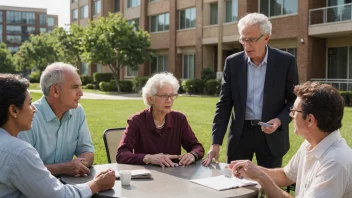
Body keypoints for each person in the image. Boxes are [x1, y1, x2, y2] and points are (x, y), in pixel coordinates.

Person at [202, 13, 299, 168]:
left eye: (252, 40)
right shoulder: (233, 63)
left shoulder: (286, 61)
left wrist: (279, 120)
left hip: (271, 136)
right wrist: (215, 143)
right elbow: (224, 104)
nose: (246, 45)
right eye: (243, 39)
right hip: (240, 135)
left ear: (266, 38)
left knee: (269, 187)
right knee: (235, 185)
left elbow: (294, 100)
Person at [229, 81, 352, 198]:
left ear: (310, 120)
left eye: (294, 111)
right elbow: (286, 176)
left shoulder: (335, 163)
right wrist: (252, 170)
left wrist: (261, 176)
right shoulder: (311, 143)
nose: (290, 115)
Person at [0, 74, 115, 197]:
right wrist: (97, 184)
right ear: (14, 110)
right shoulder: (20, 152)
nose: (34, 109)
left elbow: (87, 150)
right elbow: (60, 196)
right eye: (29, 103)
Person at [18, 62, 94, 177]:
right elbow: (24, 168)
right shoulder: (29, 116)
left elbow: (87, 150)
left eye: (80, 86)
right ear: (55, 91)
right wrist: (63, 168)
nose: (81, 93)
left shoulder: (78, 111)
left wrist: (78, 165)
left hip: (69, 185)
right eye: (75, 87)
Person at [116, 72, 204, 167]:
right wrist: (148, 158)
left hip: (175, 175)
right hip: (146, 177)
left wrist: (192, 155)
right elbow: (121, 154)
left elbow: (197, 147)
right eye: (164, 96)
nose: (169, 100)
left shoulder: (179, 119)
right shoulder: (136, 121)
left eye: (172, 95)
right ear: (150, 98)